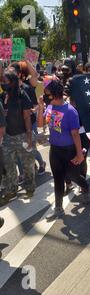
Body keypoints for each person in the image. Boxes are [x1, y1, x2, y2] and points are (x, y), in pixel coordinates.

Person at [43, 78, 90, 219]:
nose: (45, 96)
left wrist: (79, 154)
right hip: (55, 150)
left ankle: (86, 187)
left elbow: (75, 134)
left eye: (47, 93)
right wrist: (41, 107)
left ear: (55, 93)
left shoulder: (71, 111)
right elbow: (41, 124)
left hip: (69, 150)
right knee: (58, 178)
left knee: (73, 176)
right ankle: (58, 207)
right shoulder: (49, 107)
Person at [0, 70, 35, 206]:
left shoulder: (21, 95)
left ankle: (30, 188)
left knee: (27, 165)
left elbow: (27, 117)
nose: (3, 84)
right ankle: (11, 190)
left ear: (13, 82)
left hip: (22, 135)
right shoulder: (2, 96)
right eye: (2, 81)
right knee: (9, 165)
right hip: (8, 137)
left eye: (5, 81)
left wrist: (29, 137)